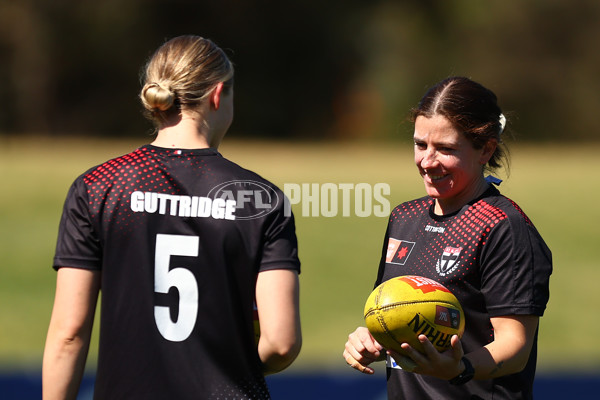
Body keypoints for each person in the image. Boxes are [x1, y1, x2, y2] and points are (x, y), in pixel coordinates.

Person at [43, 35, 302, 400]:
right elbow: (280, 343)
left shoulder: (97, 186)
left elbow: (68, 334)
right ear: (217, 95)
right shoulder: (260, 199)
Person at [343, 76, 552, 399]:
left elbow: (515, 344)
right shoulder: (404, 218)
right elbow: (398, 312)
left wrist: (460, 369)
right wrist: (371, 337)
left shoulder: (501, 226)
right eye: (420, 144)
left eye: (445, 149)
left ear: (486, 149)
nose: (427, 162)